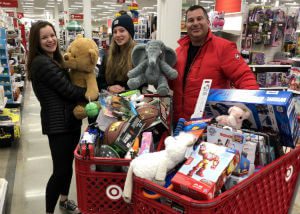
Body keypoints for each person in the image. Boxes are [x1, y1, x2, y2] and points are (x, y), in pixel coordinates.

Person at [27, 20, 85, 214]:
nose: (50, 40)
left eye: (52, 35)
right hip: (58, 125)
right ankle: (49, 211)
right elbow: (68, 90)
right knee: (59, 171)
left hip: (69, 122)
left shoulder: (55, 59)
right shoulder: (41, 63)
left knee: (67, 166)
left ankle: (64, 200)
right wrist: (93, 91)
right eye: (44, 37)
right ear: (36, 41)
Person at [170, 5, 259, 122]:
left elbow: (245, 77)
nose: (195, 23)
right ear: (186, 25)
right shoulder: (178, 52)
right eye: (190, 20)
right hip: (180, 124)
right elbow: (171, 84)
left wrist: (245, 108)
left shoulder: (224, 48)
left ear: (208, 22)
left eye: (199, 19)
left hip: (209, 126)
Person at [97, 14, 136, 94]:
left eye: (122, 31)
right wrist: (108, 87)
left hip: (133, 101)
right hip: (110, 101)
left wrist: (125, 89)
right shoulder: (107, 55)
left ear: (130, 33)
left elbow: (143, 82)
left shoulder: (137, 55)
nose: (118, 35)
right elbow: (100, 80)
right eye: (115, 32)